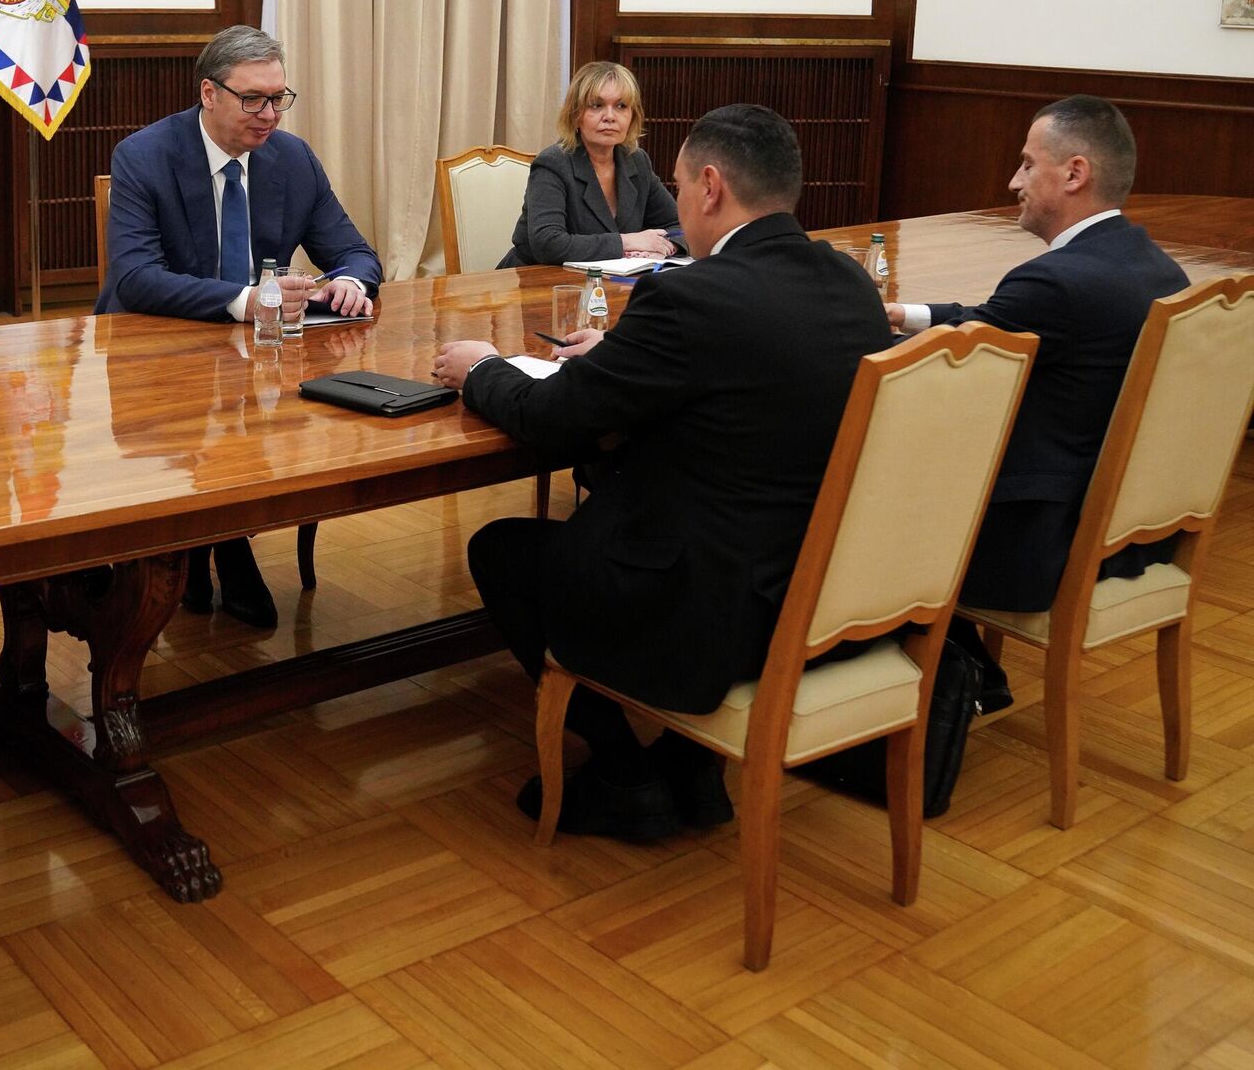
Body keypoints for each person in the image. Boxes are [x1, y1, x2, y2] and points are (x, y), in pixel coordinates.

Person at [433, 104, 892, 842]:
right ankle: (690, 764)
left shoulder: (688, 296)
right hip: (819, 584)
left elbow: (555, 419)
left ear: (710, 186)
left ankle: (624, 776)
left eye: (677, 187)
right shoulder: (849, 282)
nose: (676, 202)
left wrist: (483, 368)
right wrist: (619, 356)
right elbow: (741, 378)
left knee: (501, 549)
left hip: (707, 606)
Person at [885, 96, 1187, 704]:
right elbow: (995, 318)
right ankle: (966, 671)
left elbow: (942, 364)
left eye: (1026, 164)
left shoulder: (1055, 281)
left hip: (1040, 544)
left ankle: (945, 686)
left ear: (1074, 174)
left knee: (872, 505)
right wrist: (905, 312)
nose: (1012, 182)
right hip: (1136, 535)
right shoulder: (1156, 268)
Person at [96, 25, 384, 628]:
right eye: (253, 99)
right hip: (156, 349)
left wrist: (351, 283)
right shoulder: (145, 155)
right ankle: (214, 544)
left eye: (279, 98)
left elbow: (354, 251)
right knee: (207, 423)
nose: (270, 114)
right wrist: (245, 301)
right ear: (209, 93)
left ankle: (220, 541)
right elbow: (136, 278)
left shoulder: (292, 158)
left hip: (256, 353)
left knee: (291, 416)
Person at [498, 61, 681, 268]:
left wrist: (663, 246)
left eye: (621, 106)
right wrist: (626, 242)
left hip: (608, 280)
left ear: (633, 116)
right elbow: (548, 243)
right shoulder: (553, 163)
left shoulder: (637, 161)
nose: (610, 117)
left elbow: (678, 225)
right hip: (534, 278)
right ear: (576, 115)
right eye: (596, 105)